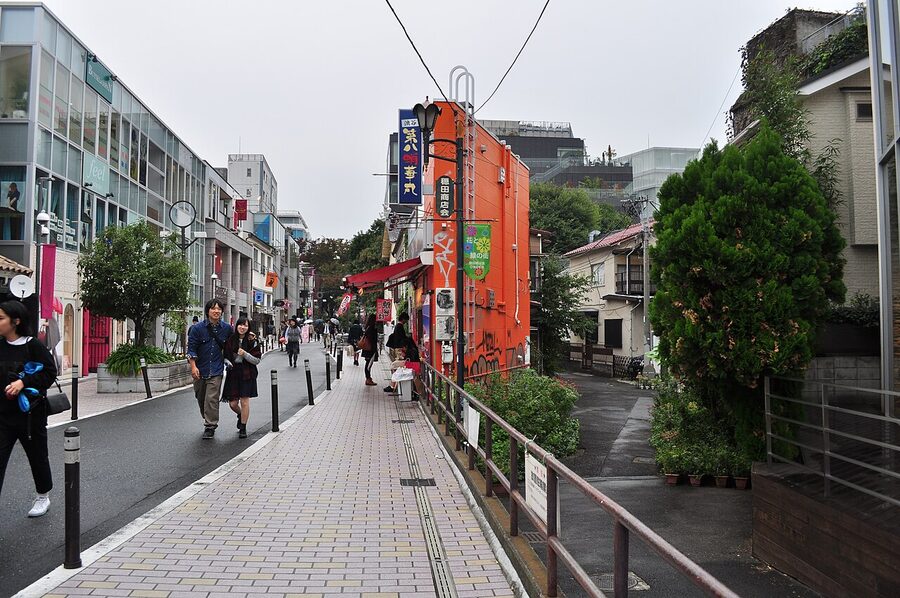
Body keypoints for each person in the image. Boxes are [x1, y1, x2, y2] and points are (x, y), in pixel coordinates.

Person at [0, 300, 58, 517]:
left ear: (15, 321)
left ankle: (43, 496)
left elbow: (50, 372)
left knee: (37, 456)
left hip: (30, 416)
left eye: (1, 318)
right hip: (3, 416)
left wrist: (23, 382)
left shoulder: (32, 345)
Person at [187, 299, 233, 439]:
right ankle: (207, 417)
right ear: (208, 311)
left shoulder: (226, 329)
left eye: (219, 309)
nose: (216, 311)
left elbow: (233, 345)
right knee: (200, 397)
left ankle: (210, 426)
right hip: (200, 369)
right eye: (213, 309)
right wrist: (193, 366)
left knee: (211, 399)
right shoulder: (197, 329)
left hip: (217, 369)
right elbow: (191, 348)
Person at [222, 317, 261, 439]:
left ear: (248, 327)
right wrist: (228, 362)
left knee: (244, 401)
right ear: (236, 326)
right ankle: (240, 415)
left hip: (247, 373)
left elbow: (256, 360)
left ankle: (243, 427)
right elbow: (225, 356)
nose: (242, 327)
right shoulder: (230, 340)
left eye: (245, 325)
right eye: (240, 325)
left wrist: (245, 354)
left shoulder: (252, 341)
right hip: (233, 373)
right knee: (233, 404)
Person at [361, 313, 378, 386]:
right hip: (370, 349)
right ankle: (368, 379)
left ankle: (368, 378)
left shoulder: (367, 327)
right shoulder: (372, 328)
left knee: (368, 363)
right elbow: (372, 339)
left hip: (367, 348)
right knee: (368, 364)